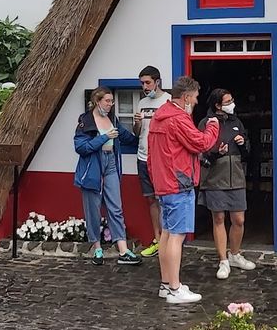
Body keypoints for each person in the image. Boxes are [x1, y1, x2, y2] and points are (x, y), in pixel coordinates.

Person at [147, 75, 221, 303]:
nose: (197, 102)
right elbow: (201, 143)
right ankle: (175, 288)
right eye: (196, 97)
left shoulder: (159, 117)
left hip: (163, 182)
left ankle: (165, 284)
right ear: (186, 97)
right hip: (178, 183)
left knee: (166, 234)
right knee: (177, 236)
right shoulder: (178, 119)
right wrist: (213, 127)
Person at [74, 87, 140, 264]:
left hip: (110, 162)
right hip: (93, 165)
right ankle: (97, 248)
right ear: (97, 101)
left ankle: (123, 250)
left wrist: (142, 134)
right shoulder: (85, 120)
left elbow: (127, 138)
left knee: (115, 206)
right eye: (107, 101)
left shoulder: (112, 119)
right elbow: (81, 147)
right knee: (93, 209)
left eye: (112, 101)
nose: (111, 104)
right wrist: (104, 138)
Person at [199, 88, 257, 279]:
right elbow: (201, 152)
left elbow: (247, 153)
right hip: (215, 178)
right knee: (218, 219)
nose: (232, 103)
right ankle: (223, 260)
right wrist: (217, 152)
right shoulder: (206, 123)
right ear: (217, 105)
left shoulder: (236, 122)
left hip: (237, 177)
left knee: (239, 219)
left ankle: (235, 254)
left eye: (232, 99)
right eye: (228, 101)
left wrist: (243, 144)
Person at [131, 65, 170, 257]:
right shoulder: (141, 102)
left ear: (157, 82)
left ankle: (168, 240)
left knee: (164, 199)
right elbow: (137, 133)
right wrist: (137, 123)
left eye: (147, 82)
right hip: (143, 156)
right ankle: (157, 239)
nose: (145, 86)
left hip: (161, 159)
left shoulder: (169, 101)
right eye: (142, 83)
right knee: (151, 199)